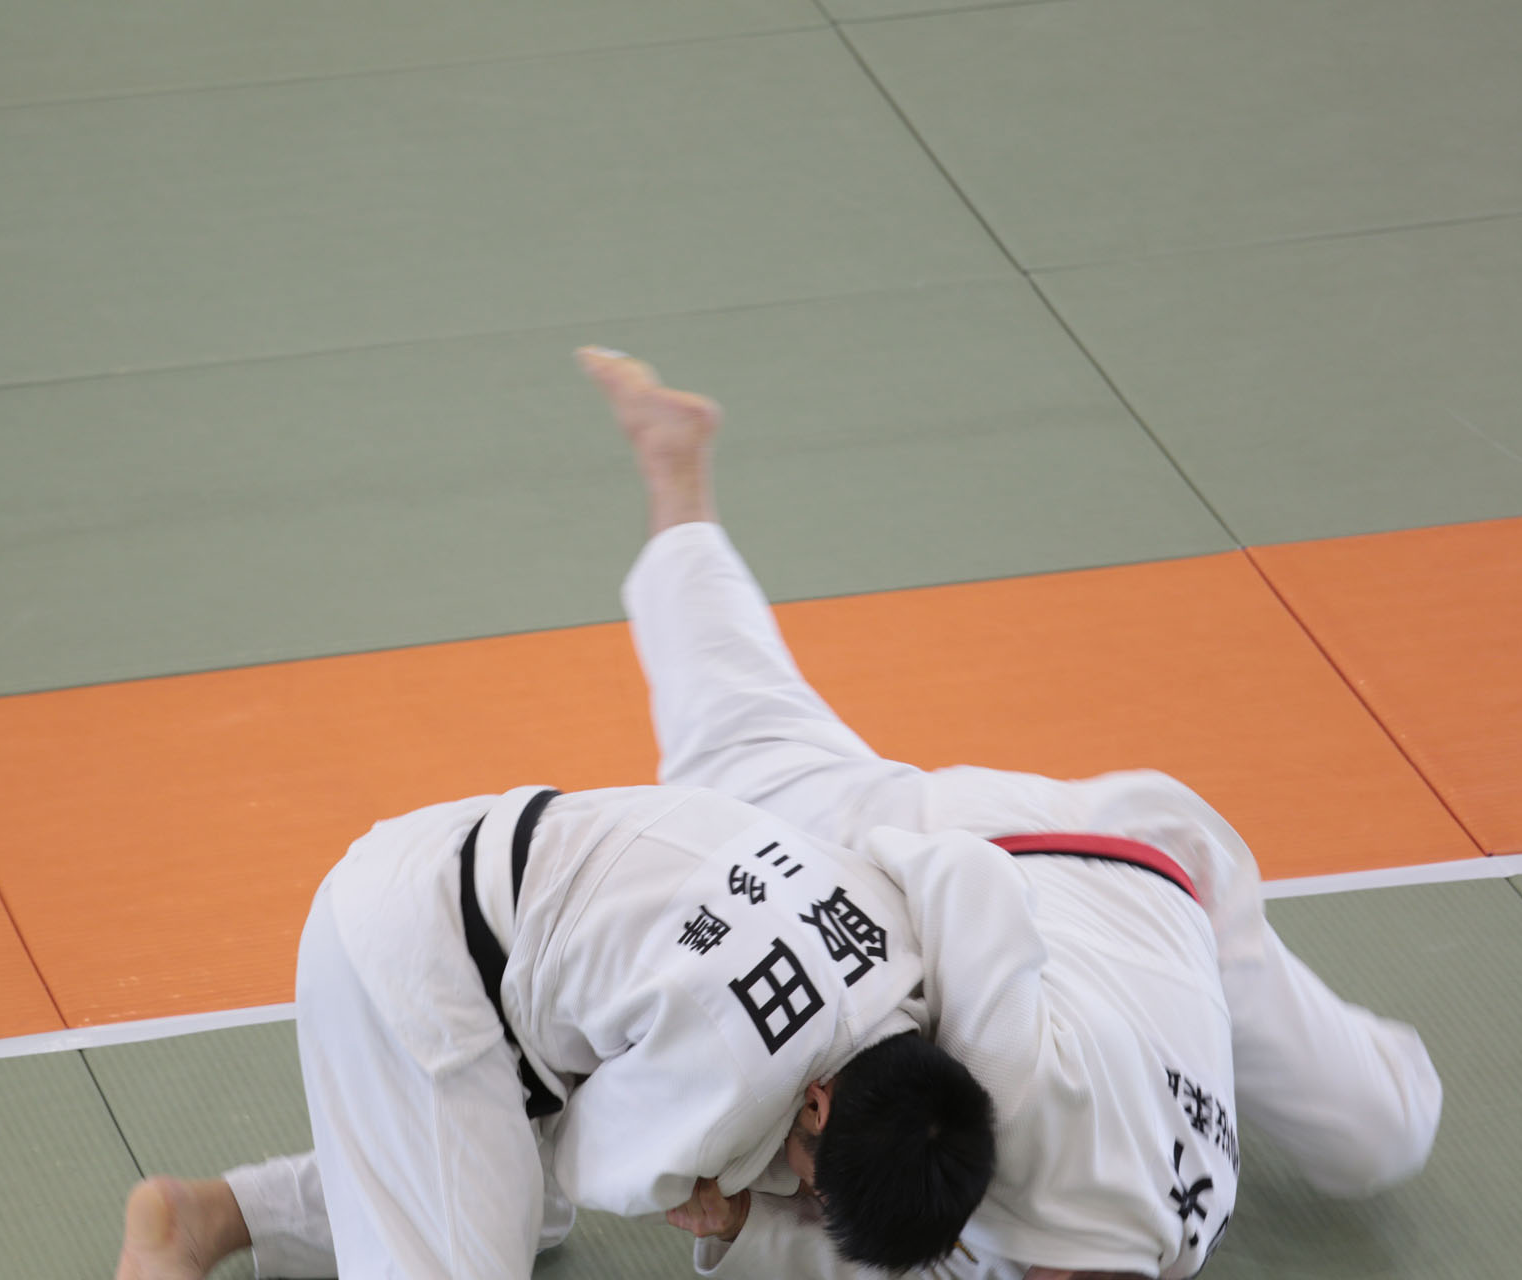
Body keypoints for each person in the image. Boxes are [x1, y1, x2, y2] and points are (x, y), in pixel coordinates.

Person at [578, 345, 1444, 1280]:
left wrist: (740, 1224)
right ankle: (675, 472)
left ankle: (677, 465)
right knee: (735, 756)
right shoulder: (1018, 1099)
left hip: (1173, 895)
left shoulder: (1152, 1245)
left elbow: (895, 1255)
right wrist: (819, 875)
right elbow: (956, 883)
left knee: (1381, 1133)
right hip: (990, 847)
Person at [114, 779, 997, 1280]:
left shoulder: (903, 950)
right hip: (411, 964)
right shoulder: (744, 1067)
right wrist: (723, 1204)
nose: (808, 1197)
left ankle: (206, 1218)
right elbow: (589, 1158)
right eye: (816, 1185)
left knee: (519, 1213)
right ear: (817, 1104)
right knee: (499, 1219)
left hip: (467, 857)